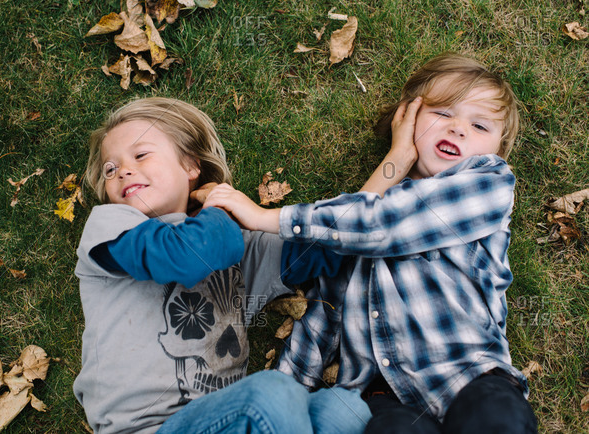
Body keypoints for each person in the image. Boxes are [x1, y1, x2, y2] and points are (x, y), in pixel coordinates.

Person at [203, 53, 538, 433]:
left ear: (497, 147)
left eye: (480, 125)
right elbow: (324, 315)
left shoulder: (488, 181)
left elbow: (385, 223)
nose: (459, 128)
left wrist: (268, 218)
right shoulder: (348, 224)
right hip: (386, 398)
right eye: (442, 113)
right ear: (407, 118)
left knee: (497, 423)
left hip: (469, 373)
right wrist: (286, 390)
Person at [72, 97, 371, 433]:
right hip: (143, 429)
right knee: (273, 394)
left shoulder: (238, 248)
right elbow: (186, 256)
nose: (123, 169)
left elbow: (334, 242)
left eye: (140, 155)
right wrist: (218, 205)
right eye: (110, 169)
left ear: (189, 166)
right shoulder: (112, 229)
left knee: (347, 412)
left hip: (223, 421)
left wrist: (398, 163)